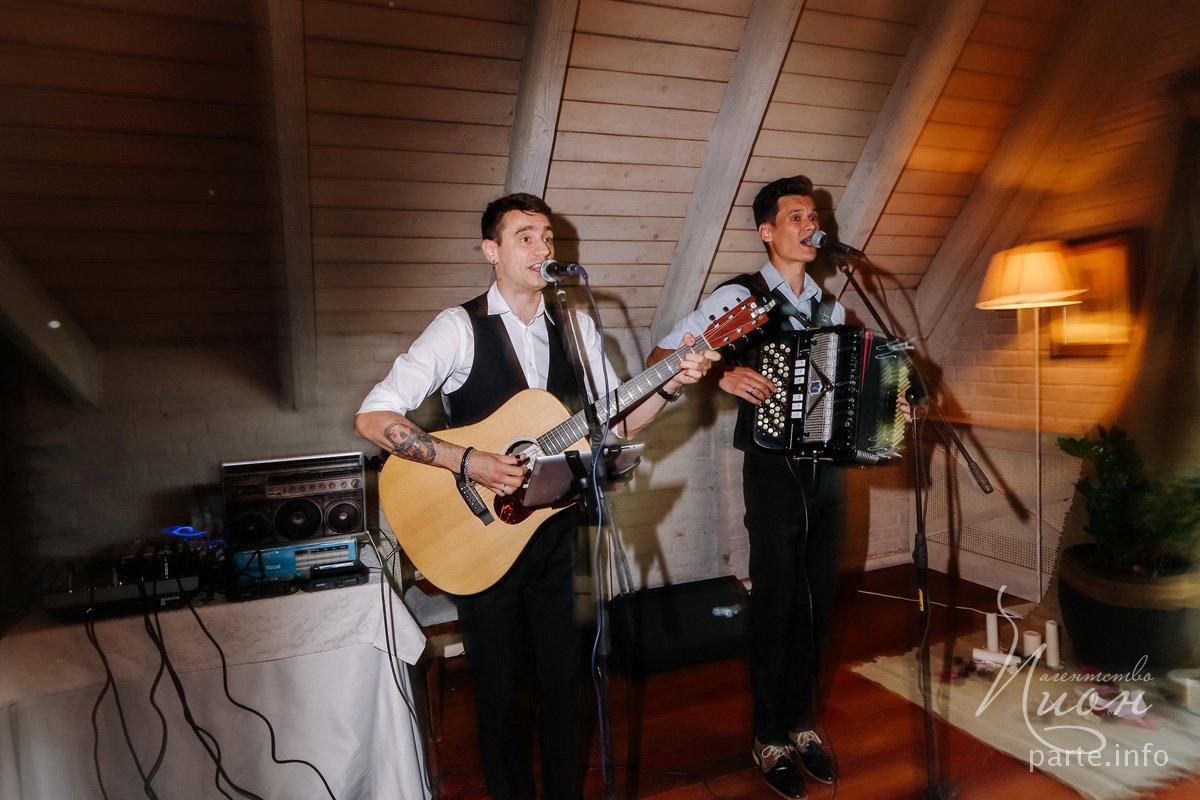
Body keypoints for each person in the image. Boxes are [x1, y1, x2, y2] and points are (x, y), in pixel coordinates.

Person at [354, 192, 718, 800]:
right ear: (490, 251)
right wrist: (467, 460)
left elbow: (615, 424)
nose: (542, 247)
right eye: (524, 236)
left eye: (547, 236)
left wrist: (671, 382)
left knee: (564, 684)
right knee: (500, 692)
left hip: (555, 532)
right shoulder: (459, 327)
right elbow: (374, 418)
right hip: (480, 538)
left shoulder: (575, 326)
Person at [648, 176, 845, 799]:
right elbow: (662, 354)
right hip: (772, 466)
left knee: (817, 600)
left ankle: (801, 721)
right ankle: (768, 734)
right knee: (777, 599)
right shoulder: (740, 296)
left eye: (813, 216)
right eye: (795, 216)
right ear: (767, 231)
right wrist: (724, 375)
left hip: (827, 468)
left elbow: (847, 385)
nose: (809, 225)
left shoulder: (832, 307)